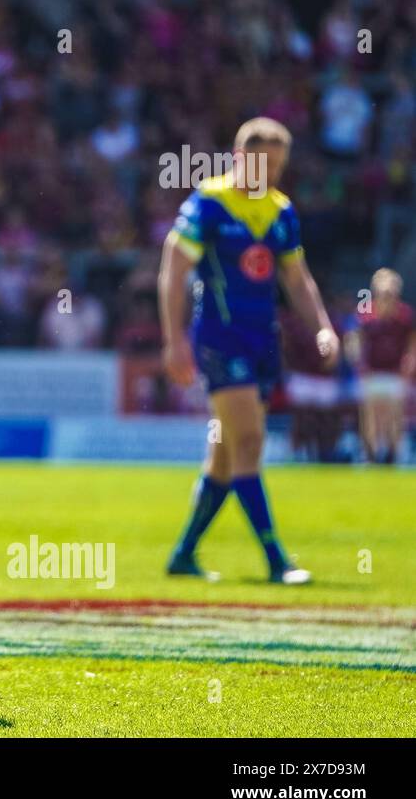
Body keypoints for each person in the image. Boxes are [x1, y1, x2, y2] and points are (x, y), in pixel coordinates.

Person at [159, 118, 339, 584]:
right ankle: (277, 560)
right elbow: (173, 270)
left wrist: (322, 327)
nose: (272, 172)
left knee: (223, 453)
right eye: (265, 162)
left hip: (263, 339)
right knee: (250, 442)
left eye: (279, 164)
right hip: (220, 337)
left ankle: (183, 554)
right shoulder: (211, 203)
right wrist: (174, 339)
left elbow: (297, 278)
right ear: (239, 157)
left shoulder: (282, 212)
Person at [346, 268, 415, 464]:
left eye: (391, 293)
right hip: (371, 372)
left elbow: (412, 341)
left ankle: (393, 454)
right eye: (384, 293)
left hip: (394, 372)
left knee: (395, 414)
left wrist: (409, 361)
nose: (388, 298)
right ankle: (371, 454)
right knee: (370, 415)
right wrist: (358, 362)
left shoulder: (405, 315)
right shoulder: (365, 312)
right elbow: (355, 339)